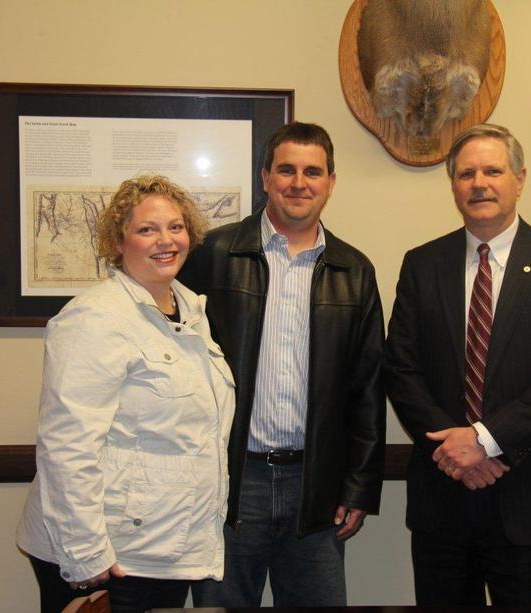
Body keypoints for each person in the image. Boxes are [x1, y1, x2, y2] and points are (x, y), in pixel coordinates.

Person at [384, 124, 531, 607]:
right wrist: (454, 451)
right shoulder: (422, 264)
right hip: (444, 499)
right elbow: (401, 368)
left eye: (492, 170)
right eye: (466, 173)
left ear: (519, 179)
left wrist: (483, 441)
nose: (479, 182)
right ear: (454, 185)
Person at [180, 122, 385, 607]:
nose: (299, 182)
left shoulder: (354, 271)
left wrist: (357, 488)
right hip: (232, 483)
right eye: (287, 170)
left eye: (313, 171)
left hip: (315, 487)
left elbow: (368, 389)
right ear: (265, 177)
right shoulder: (214, 254)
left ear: (331, 182)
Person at [16, 175, 235, 613]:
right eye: (147, 229)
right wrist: (86, 551)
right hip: (111, 554)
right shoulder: (94, 318)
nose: (166, 240)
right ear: (118, 241)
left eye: (176, 227)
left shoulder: (191, 312)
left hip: (167, 548)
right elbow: (67, 446)